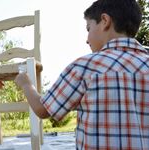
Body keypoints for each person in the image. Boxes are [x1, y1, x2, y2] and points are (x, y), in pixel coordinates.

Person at [15, 0, 149, 149]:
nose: (86, 39)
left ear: (105, 21)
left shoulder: (85, 66)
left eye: (88, 28)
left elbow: (43, 109)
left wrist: (26, 84)